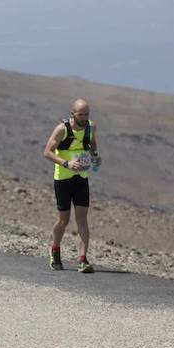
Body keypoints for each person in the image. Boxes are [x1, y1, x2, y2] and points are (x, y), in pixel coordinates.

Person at [43, 98, 101, 273]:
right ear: (72, 113)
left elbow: (92, 144)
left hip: (81, 178)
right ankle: (55, 250)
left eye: (86, 114)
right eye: (81, 114)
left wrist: (95, 157)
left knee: (82, 219)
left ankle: (82, 260)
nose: (84, 118)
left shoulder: (91, 127)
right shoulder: (62, 129)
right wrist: (66, 163)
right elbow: (47, 152)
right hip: (63, 179)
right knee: (64, 220)